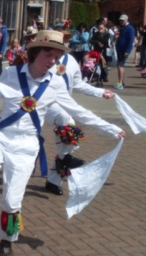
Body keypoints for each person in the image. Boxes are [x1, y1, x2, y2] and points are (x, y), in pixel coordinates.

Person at [0, 30, 124, 256]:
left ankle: (6, 241)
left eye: (56, 57)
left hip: (27, 146)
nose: (52, 61)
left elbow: (78, 111)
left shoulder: (56, 83)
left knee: (12, 200)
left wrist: (110, 129)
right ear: (34, 52)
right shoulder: (10, 74)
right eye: (48, 55)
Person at [44, 31, 116, 195]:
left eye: (68, 38)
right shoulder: (42, 59)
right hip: (44, 104)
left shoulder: (71, 61)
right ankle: (64, 158)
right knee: (66, 120)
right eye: (63, 38)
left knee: (64, 139)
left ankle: (54, 180)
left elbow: (79, 84)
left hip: (64, 104)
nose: (66, 41)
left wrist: (100, 92)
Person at [114, 14, 136, 90]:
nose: (121, 22)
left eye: (123, 20)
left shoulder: (130, 29)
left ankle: (120, 83)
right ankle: (121, 82)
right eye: (120, 20)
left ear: (126, 20)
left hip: (124, 49)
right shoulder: (121, 28)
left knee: (120, 65)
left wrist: (127, 50)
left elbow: (130, 40)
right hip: (119, 48)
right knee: (119, 66)